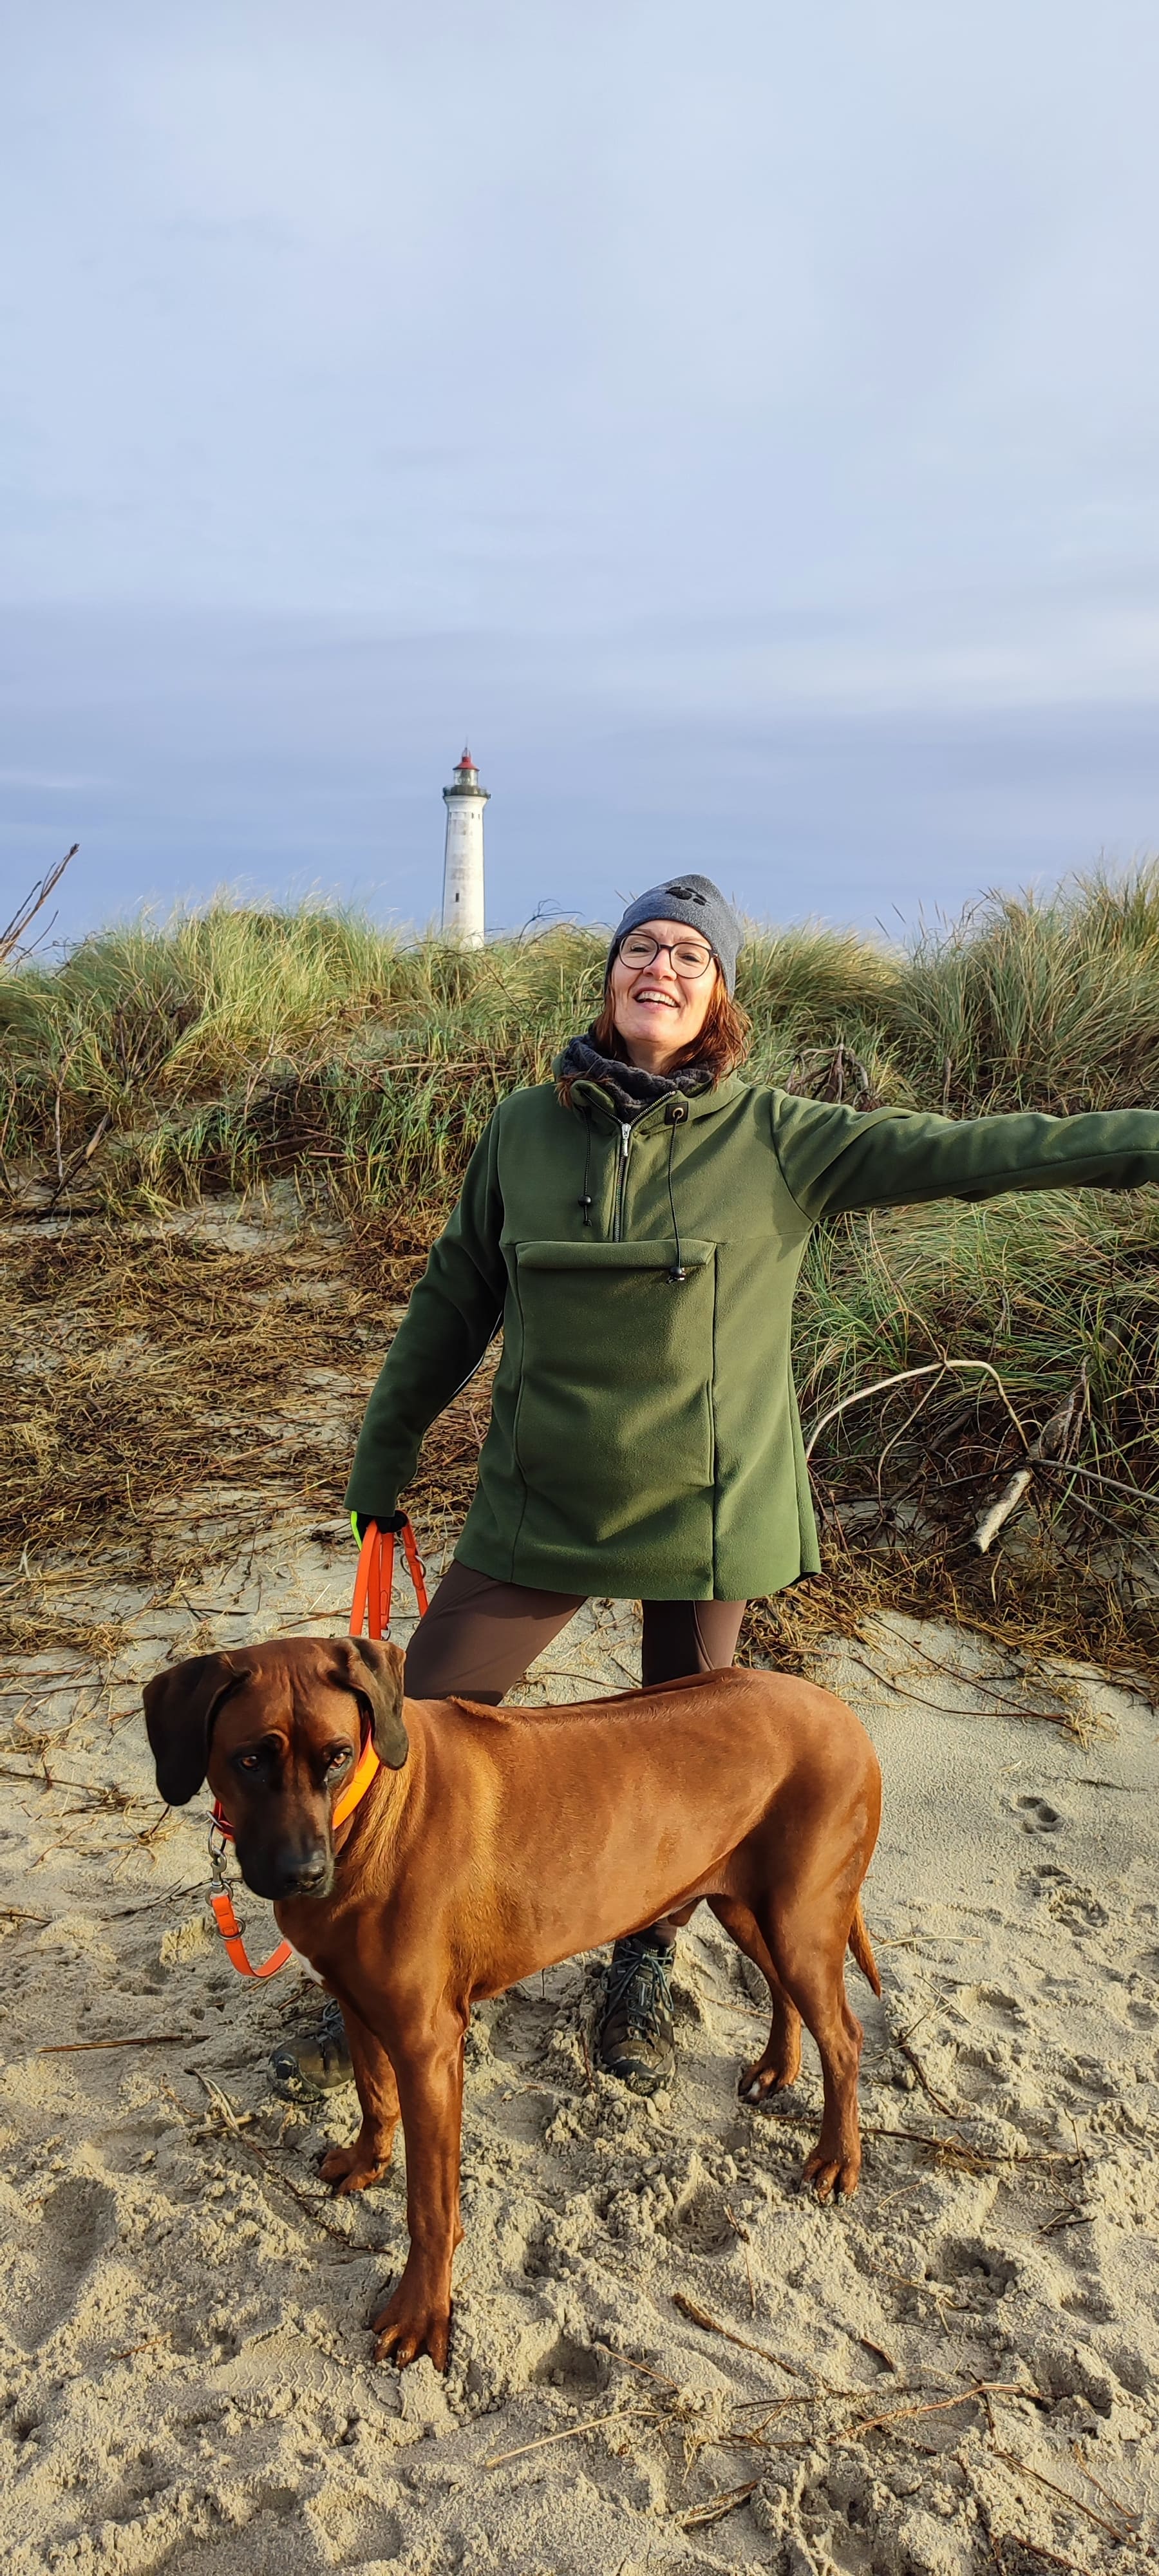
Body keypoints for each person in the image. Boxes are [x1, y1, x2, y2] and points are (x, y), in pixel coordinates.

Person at [272, 873, 1159, 2101]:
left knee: (689, 1776)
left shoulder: (784, 1137)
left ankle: (640, 1960)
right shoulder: (524, 1129)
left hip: (708, 1517)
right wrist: (384, 1456)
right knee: (409, 1730)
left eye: (692, 955)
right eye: (643, 947)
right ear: (610, 978)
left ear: (721, 994)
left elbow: (976, 1156)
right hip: (539, 1503)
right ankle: (379, 1962)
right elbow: (453, 1296)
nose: (663, 968)